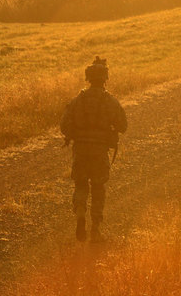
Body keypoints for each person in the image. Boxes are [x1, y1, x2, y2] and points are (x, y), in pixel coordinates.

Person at [60, 57, 127, 243]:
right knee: (98, 188)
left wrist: (78, 133)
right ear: (105, 78)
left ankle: (80, 214)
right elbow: (123, 125)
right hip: (99, 152)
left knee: (81, 185)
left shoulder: (77, 101)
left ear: (88, 78)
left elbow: (64, 126)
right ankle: (95, 228)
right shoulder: (110, 101)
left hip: (81, 151)